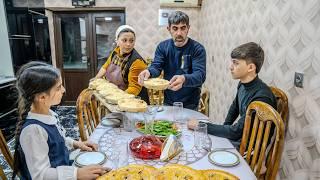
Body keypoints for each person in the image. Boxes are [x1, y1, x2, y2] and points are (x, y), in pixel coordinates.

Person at [13, 61, 108, 179]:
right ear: (42, 97)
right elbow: (40, 175)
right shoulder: (33, 131)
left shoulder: (49, 114)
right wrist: (76, 174)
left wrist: (76, 143)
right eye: (58, 88)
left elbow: (58, 140)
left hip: (63, 168)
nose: (63, 90)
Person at [188, 42, 277, 149]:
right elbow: (234, 108)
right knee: (201, 140)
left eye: (236, 63)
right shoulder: (243, 84)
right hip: (240, 138)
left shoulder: (261, 98)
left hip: (250, 149)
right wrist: (225, 129)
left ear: (250, 67)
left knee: (203, 146)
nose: (230, 67)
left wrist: (200, 125)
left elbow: (236, 132)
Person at [138, 11, 206, 110]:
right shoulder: (163, 47)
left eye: (183, 28)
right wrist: (148, 72)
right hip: (168, 101)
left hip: (191, 104)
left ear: (188, 28)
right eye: (175, 28)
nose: (179, 33)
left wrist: (184, 79)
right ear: (169, 29)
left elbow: (200, 75)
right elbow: (156, 67)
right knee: (168, 126)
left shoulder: (197, 49)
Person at [95, 25, 149, 103]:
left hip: (133, 101)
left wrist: (116, 100)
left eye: (131, 40)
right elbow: (105, 66)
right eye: (124, 40)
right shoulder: (115, 52)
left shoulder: (137, 62)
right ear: (117, 41)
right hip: (118, 95)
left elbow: (134, 88)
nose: (128, 44)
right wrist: (95, 80)